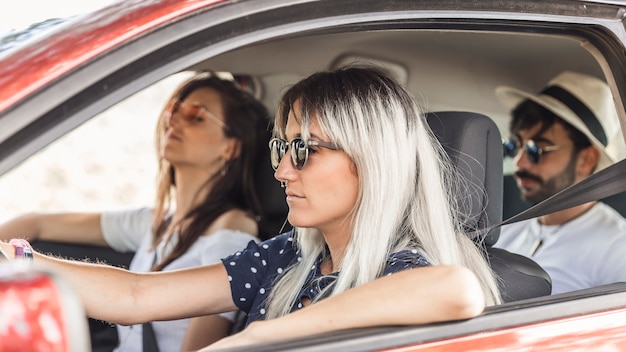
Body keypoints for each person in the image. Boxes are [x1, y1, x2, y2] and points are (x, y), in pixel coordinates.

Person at [0, 66, 501, 351]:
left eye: (304, 152)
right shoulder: (289, 259)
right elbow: (137, 296)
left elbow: (455, 288)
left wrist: (255, 338)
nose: (283, 171)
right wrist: (17, 260)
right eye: (281, 149)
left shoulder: (407, 269)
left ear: (371, 161)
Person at [0, 72, 270, 351]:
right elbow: (35, 223)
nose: (174, 120)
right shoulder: (156, 222)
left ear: (231, 147)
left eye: (196, 115)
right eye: (174, 110)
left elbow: (198, 347)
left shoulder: (232, 230)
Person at [495, 71, 626, 295]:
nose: (520, 162)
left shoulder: (617, 247)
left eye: (537, 149)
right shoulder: (506, 231)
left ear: (586, 160)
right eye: (517, 146)